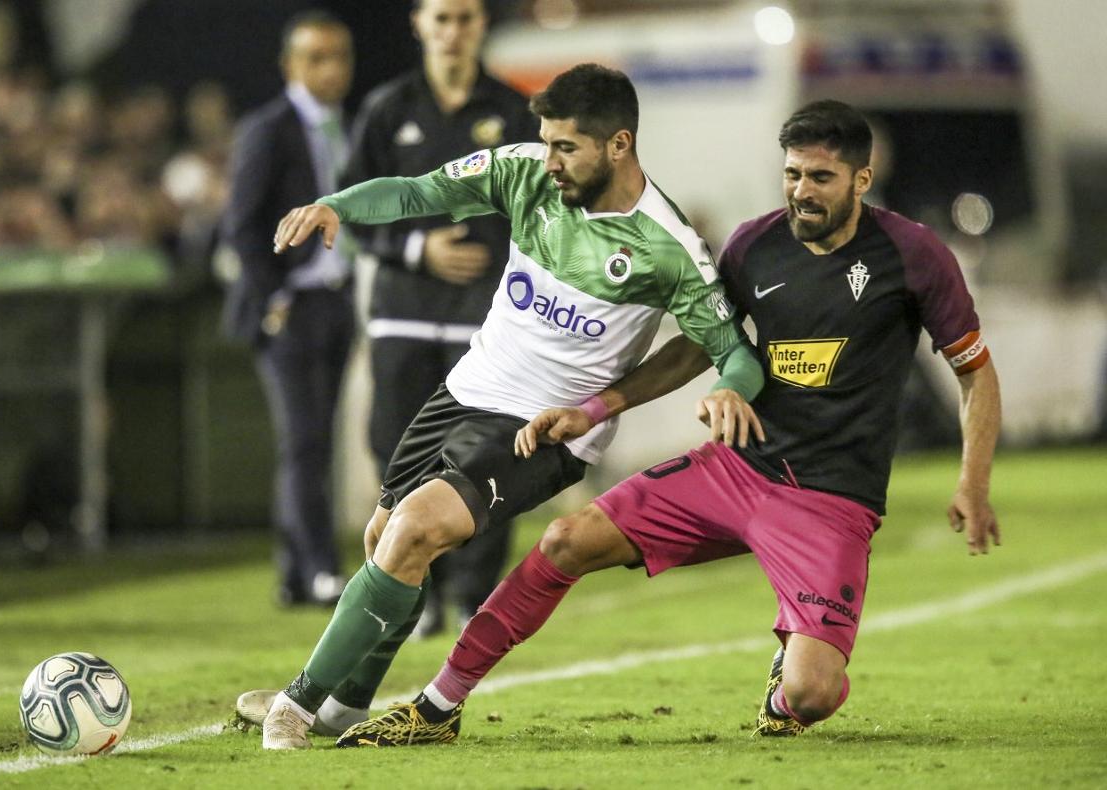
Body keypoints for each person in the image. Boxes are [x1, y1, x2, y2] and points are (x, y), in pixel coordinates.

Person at [335, 98, 1002, 746]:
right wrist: (603, 406)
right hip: (737, 468)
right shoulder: (755, 245)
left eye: (820, 178)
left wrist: (972, 484)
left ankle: (785, 676)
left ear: (862, 178)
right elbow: (697, 346)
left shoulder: (914, 256)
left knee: (811, 696)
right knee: (567, 539)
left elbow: (975, 372)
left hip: (830, 499)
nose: (802, 191)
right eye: (792, 174)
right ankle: (437, 706)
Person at [239, 64, 766, 750]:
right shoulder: (522, 169)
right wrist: (339, 205)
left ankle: (297, 704)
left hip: (544, 429)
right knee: (385, 544)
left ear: (619, 145)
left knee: (413, 532)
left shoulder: (668, 246)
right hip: (465, 390)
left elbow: (736, 353)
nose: (548, 161)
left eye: (565, 148)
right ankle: (346, 704)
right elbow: (418, 190)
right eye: (544, 142)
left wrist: (726, 388)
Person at [342, 0, 540, 636]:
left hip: (486, 323)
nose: (453, 31)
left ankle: (472, 597)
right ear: (419, 25)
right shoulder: (386, 109)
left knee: (486, 457)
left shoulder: (514, 112)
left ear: (482, 27)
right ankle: (411, 590)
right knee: (395, 452)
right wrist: (414, 249)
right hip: (402, 316)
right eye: (442, 18)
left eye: (466, 18)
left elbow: (544, 211)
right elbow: (347, 209)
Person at [221, 11, 355, 607]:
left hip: (335, 301)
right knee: (302, 442)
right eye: (316, 57)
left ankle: (293, 573)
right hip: (290, 308)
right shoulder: (267, 129)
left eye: (339, 56)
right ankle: (322, 569)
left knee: (315, 443)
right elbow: (243, 227)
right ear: (290, 66)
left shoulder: (346, 127)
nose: (330, 69)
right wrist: (273, 297)